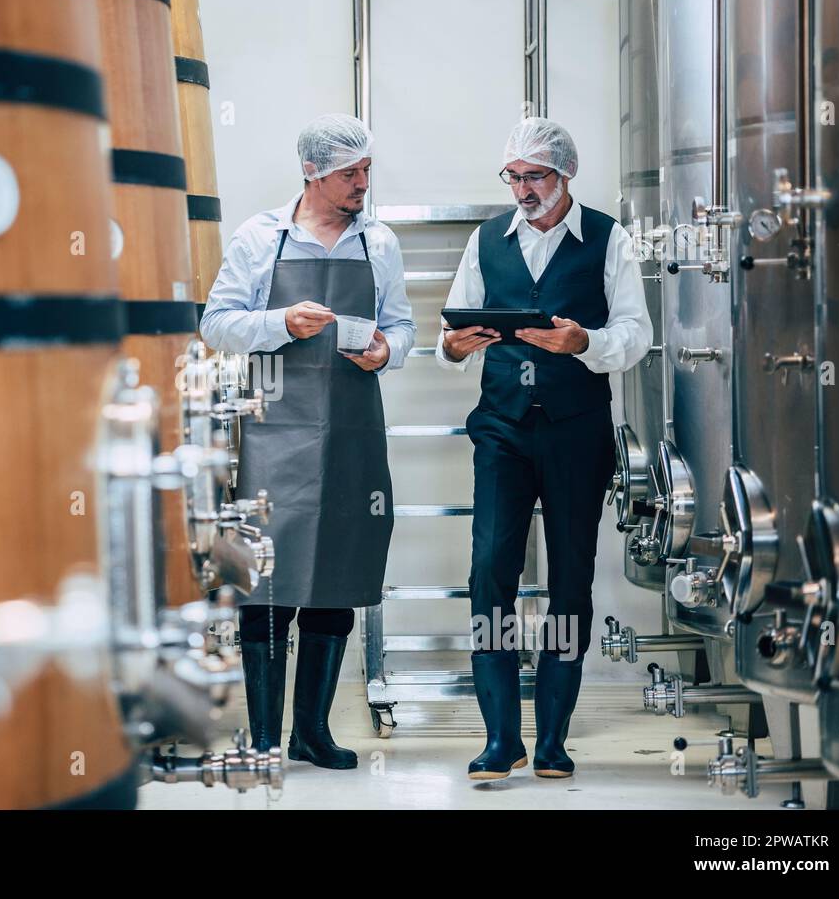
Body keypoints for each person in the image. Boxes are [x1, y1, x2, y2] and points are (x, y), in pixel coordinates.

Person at [436, 117, 651, 780]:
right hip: (501, 426)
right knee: (488, 577)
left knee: (569, 583)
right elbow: (452, 331)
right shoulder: (487, 241)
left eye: (535, 177)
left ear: (565, 176)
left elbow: (636, 333)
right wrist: (454, 346)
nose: (523, 190)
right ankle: (502, 738)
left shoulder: (609, 240)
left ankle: (553, 739)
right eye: (514, 176)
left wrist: (582, 343)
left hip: (576, 429)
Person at [200, 113, 415, 769]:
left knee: (337, 577)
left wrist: (386, 352)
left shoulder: (379, 243)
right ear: (312, 173)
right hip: (271, 434)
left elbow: (402, 326)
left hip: (351, 436)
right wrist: (279, 323)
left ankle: (312, 734)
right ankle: (264, 736)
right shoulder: (261, 238)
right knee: (266, 583)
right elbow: (216, 324)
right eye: (350, 173)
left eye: (367, 171)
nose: (362, 183)